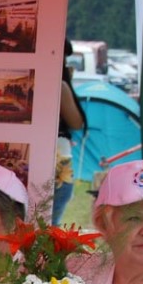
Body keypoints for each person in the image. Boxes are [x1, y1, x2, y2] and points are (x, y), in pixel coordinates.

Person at [52, 39, 87, 226]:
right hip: (59, 164)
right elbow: (76, 122)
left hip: (53, 164)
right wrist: (68, 85)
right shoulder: (59, 85)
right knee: (49, 227)